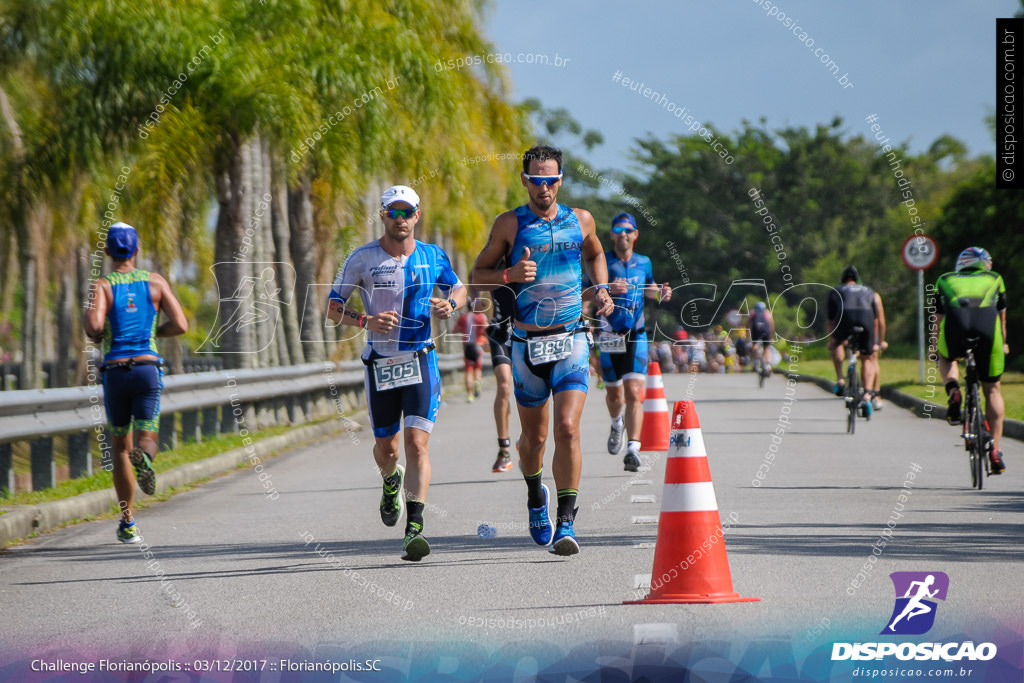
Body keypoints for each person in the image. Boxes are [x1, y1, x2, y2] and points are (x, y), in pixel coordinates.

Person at [470, 145, 614, 556]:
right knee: (533, 440)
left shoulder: (580, 220)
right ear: (525, 180)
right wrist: (508, 274)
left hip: (570, 338)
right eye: (537, 180)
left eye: (551, 179)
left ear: (560, 180)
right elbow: (477, 276)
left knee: (567, 428)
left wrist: (600, 287)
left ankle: (566, 521)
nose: (544, 187)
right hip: (526, 344)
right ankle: (536, 496)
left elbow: (596, 253)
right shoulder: (509, 225)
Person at [327, 185, 467, 561]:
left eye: (407, 212)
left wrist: (450, 304)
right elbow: (332, 307)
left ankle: (415, 529)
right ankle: (391, 481)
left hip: (420, 358)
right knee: (387, 450)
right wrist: (366, 319)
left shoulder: (432, 256)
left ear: (418, 216)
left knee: (417, 445)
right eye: (394, 212)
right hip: (381, 364)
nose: (401, 219)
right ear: (383, 216)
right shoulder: (362, 258)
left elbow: (458, 286)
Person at [82, 222, 188, 544]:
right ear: (136, 251)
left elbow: (94, 326)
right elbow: (181, 324)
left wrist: (95, 325)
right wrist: (155, 333)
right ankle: (146, 456)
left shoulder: (103, 285)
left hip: (115, 371)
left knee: (119, 448)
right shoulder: (155, 282)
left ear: (108, 252)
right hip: (147, 369)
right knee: (147, 438)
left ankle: (128, 522)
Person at [586, 212, 671, 472]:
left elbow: (650, 288)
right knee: (615, 395)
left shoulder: (644, 262)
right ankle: (616, 424)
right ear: (611, 235)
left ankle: (633, 448)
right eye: (618, 230)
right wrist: (607, 288)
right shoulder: (602, 262)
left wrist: (661, 293)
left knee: (635, 392)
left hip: (637, 333)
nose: (623, 234)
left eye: (628, 230)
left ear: (635, 235)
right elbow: (584, 293)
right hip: (610, 335)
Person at [936, 247, 1008, 474]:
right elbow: (1001, 318)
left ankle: (953, 390)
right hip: (988, 332)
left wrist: (933, 346)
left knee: (947, 357)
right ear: (985, 264)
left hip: (956, 330)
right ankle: (995, 450)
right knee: (993, 390)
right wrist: (1004, 343)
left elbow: (937, 319)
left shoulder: (944, 279)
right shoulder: (995, 278)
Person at [827, 266, 879, 416]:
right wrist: (873, 342)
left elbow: (830, 321)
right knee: (868, 358)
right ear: (857, 280)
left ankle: (840, 380)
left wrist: (832, 341)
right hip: (866, 318)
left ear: (844, 280)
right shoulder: (869, 291)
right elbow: (875, 321)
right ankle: (868, 395)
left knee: (836, 343)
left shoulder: (837, 290)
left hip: (845, 317)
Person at [482, 268, 518, 473]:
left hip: (528, 331)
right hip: (500, 332)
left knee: (527, 390)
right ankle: (504, 449)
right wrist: (476, 298)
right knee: (504, 386)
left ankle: (528, 440)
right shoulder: (494, 257)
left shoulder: (530, 249)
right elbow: (476, 275)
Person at [454, 298, 488, 403]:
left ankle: (469, 395)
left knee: (468, 370)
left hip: (467, 346)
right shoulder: (481, 316)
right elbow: (487, 329)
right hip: (478, 346)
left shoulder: (463, 317)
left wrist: (463, 329)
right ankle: (477, 381)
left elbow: (455, 330)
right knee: (477, 368)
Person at [869, 291, 888, 411]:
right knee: (872, 359)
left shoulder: (845, 294)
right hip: (870, 329)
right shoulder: (874, 295)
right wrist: (881, 341)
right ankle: (876, 394)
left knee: (860, 358)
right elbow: (881, 322)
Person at [747, 301, 775, 375]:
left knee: (755, 345)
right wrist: (771, 337)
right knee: (766, 348)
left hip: (756, 330)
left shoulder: (753, 313)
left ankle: (755, 362)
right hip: (766, 331)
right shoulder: (767, 313)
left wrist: (747, 337)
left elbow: (748, 325)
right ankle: (768, 365)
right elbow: (772, 326)